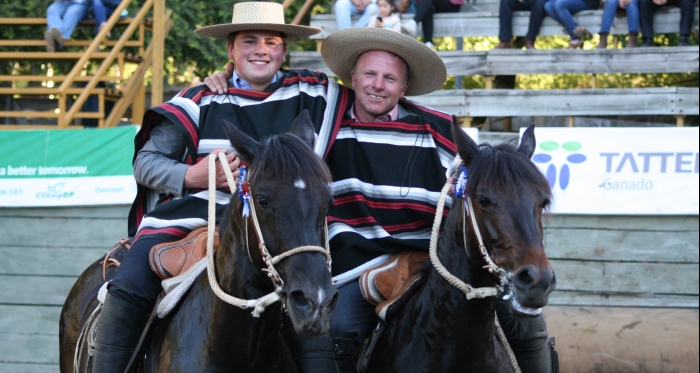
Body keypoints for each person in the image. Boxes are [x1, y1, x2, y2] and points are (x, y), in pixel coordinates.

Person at [89, 3, 332, 373]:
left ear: (284, 51)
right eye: (248, 41)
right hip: (191, 218)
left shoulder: (313, 94)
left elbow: (372, 84)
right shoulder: (198, 99)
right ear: (230, 50)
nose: (261, 50)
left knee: (315, 295)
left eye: (271, 41)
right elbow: (145, 164)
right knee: (130, 284)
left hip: (280, 228)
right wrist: (194, 176)